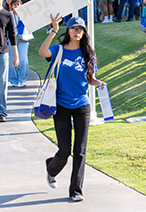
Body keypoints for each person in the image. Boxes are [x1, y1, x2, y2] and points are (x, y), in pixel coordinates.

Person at [39, 15, 106, 202]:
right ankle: (51, 168)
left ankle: (76, 190)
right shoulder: (59, 51)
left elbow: (90, 78)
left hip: (82, 105)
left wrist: (97, 82)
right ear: (68, 31)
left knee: (80, 150)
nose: (77, 32)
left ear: (84, 32)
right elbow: (42, 52)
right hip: (61, 104)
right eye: (74, 28)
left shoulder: (88, 53)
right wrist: (53, 30)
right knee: (64, 150)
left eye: (80, 29)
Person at [8, 0, 33, 87]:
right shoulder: (9, 15)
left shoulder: (25, 15)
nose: (17, 6)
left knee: (23, 59)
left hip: (23, 38)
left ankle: (23, 79)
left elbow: (31, 26)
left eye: (18, 4)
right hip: (11, 38)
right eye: (14, 5)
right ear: (11, 6)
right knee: (12, 59)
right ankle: (13, 80)